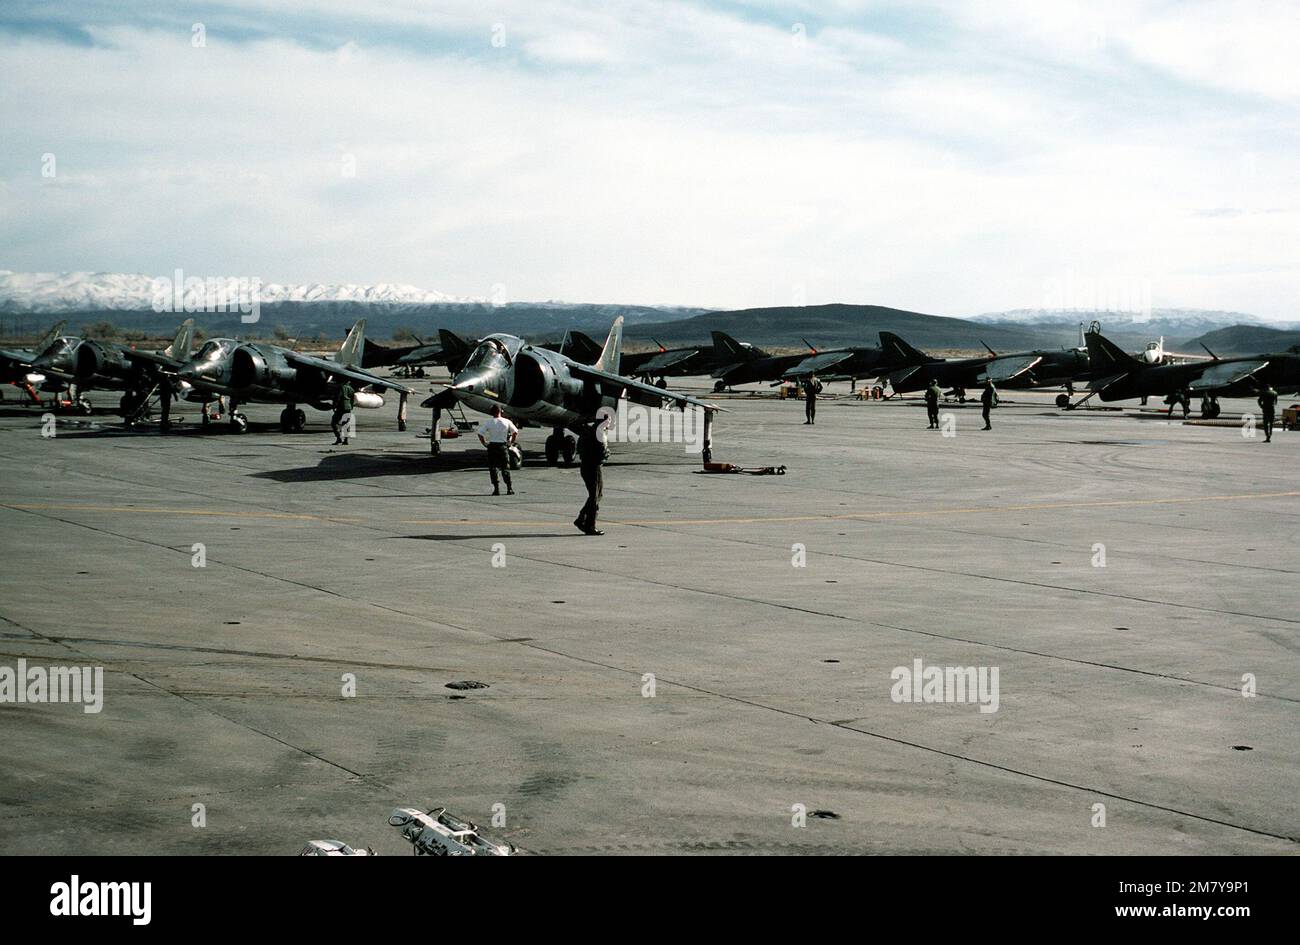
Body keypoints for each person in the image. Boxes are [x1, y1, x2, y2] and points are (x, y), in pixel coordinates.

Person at [476, 405, 518, 496]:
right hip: (503, 446)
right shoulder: (507, 421)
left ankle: (496, 489)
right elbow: (515, 432)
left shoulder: (489, 422)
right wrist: (510, 442)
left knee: (493, 468)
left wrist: (484, 443)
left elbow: (480, 433)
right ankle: (509, 488)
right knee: (505, 468)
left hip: (492, 447)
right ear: (501, 411)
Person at [574, 419, 606, 535]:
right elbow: (601, 451)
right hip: (594, 466)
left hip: (585, 466)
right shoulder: (599, 433)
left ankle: (582, 519)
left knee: (595, 495)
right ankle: (589, 525)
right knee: (595, 497)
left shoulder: (587, 431)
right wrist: (605, 454)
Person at [332, 380, 355, 445]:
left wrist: (334, 405)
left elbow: (338, 397)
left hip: (341, 407)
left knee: (334, 423)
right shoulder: (351, 389)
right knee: (346, 424)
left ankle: (339, 438)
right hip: (348, 407)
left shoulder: (341, 387)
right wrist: (351, 406)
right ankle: (346, 440)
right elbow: (352, 399)